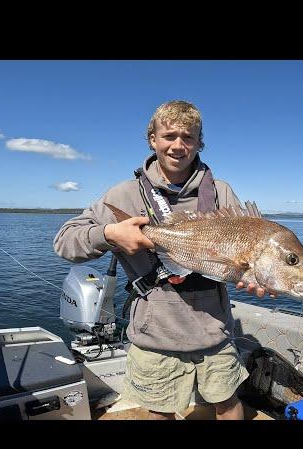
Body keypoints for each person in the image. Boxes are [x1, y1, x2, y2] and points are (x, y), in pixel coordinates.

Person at [54, 100, 275, 420]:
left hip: (215, 331)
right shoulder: (124, 195)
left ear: (200, 143)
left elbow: (240, 253)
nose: (178, 145)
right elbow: (65, 242)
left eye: (188, 137)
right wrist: (110, 234)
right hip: (155, 333)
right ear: (153, 139)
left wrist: (254, 277)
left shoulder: (221, 192)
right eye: (169, 135)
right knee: (160, 411)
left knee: (227, 403)